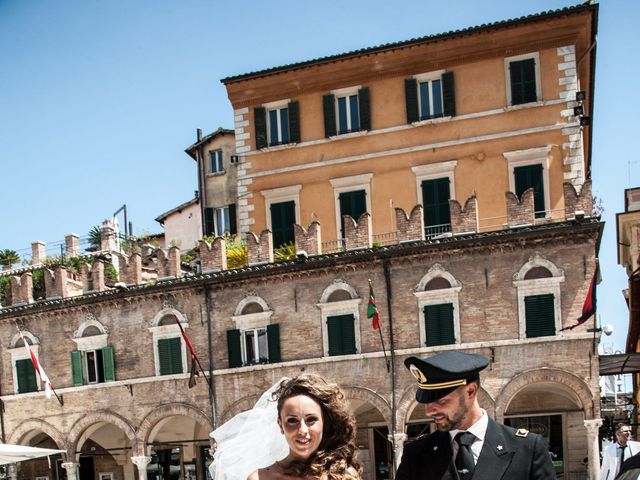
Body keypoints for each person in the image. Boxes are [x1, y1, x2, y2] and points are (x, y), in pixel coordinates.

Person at [396, 350, 556, 480]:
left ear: (470, 391)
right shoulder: (416, 455)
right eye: (427, 403)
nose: (429, 411)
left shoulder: (527, 448)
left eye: (441, 401)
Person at [209, 374, 361, 480]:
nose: (302, 430)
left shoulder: (344, 476)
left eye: (311, 419)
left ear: (324, 423)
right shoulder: (259, 478)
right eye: (292, 421)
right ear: (280, 425)